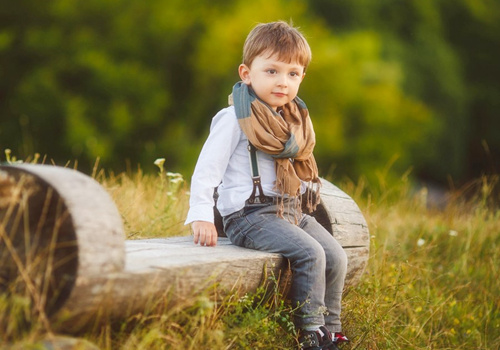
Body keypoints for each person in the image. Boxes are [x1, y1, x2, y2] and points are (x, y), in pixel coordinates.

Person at [185, 21, 349, 350]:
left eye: (292, 74)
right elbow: (208, 168)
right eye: (271, 71)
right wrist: (201, 214)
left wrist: (304, 194)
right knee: (311, 253)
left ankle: (332, 327)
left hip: (287, 210)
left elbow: (291, 174)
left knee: (336, 254)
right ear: (247, 73)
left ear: (302, 77)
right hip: (249, 215)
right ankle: (311, 331)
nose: (282, 82)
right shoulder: (235, 119)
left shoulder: (292, 122)